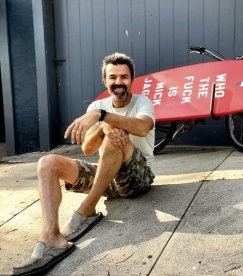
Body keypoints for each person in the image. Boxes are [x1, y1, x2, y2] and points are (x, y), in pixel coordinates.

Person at [13, 53, 155, 275]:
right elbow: (88, 149)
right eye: (113, 77)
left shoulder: (142, 102)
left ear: (132, 80)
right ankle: (51, 235)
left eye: (124, 77)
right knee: (47, 163)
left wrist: (104, 117)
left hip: (137, 177)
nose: (118, 82)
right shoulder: (97, 104)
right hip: (106, 176)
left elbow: (142, 128)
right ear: (105, 81)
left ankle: (87, 209)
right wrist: (101, 127)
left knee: (114, 136)